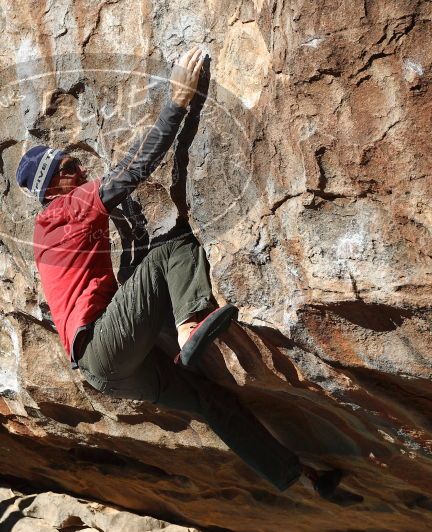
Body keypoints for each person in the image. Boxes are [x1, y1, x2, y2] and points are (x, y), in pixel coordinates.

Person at [17, 47, 344, 497]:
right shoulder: (65, 210)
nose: (82, 169)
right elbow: (134, 169)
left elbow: (114, 276)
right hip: (104, 348)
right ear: (54, 186)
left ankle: (301, 477)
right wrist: (177, 102)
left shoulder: (48, 231)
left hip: (107, 372)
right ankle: (191, 326)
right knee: (173, 246)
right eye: (71, 168)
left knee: (211, 402)